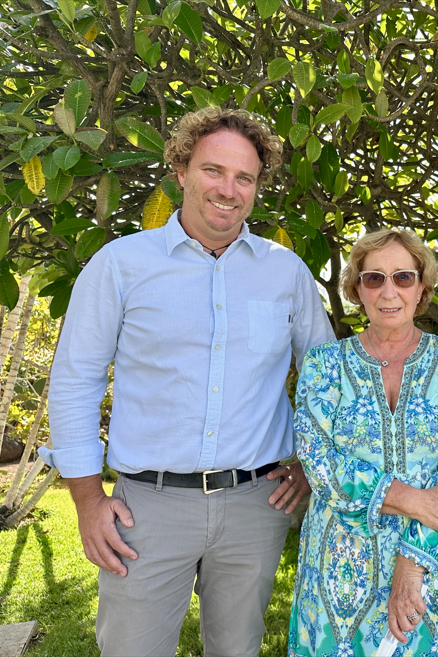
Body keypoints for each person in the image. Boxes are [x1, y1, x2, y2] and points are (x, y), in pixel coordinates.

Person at [39, 107, 335, 656]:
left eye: (244, 177)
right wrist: (84, 499)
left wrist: (306, 463)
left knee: (239, 650)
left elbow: (327, 380)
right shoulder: (120, 265)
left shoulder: (286, 271)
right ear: (180, 171)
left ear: (256, 188)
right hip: (146, 508)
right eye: (212, 170)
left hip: (256, 505)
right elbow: (75, 380)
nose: (228, 189)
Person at [288, 228, 438, 657]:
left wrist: (410, 566)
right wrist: (411, 498)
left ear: (422, 288)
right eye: (374, 278)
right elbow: (320, 464)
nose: (388, 290)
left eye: (403, 277)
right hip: (342, 570)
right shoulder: (324, 366)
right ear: (357, 290)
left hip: (434, 564)